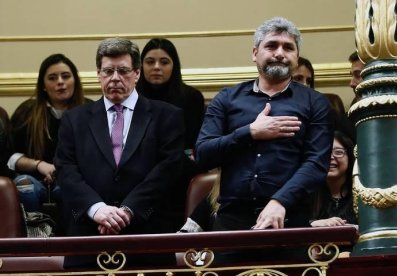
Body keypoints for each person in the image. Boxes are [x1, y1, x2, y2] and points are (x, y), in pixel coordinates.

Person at [196, 17, 333, 261]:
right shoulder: (227, 99)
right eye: (272, 46)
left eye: (288, 48)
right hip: (231, 223)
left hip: (290, 221)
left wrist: (280, 201)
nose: (280, 53)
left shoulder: (315, 103)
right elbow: (204, 155)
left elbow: (316, 164)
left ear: (297, 57)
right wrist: (249, 132)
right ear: (255, 52)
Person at [54, 37, 185, 268]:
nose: (115, 78)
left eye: (123, 71)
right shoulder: (74, 120)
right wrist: (98, 209)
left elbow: (168, 169)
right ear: (98, 73)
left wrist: (128, 210)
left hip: (147, 233)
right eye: (108, 71)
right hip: (89, 233)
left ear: (137, 73)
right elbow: (66, 170)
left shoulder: (167, 115)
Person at [136, 38, 205, 230]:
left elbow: (193, 143)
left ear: (174, 66)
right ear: (140, 66)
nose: (156, 67)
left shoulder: (191, 98)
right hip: (139, 166)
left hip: (179, 167)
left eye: (164, 62)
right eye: (150, 62)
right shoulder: (130, 97)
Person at [7, 54, 88, 214]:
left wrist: (62, 172)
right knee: (26, 187)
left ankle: (73, 238)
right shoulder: (27, 112)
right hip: (33, 178)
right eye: (52, 78)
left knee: (70, 188)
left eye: (65, 76)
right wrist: (39, 165)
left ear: (75, 81)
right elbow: (11, 157)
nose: (60, 82)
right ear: (43, 85)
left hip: (73, 178)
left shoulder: (90, 111)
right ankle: (35, 235)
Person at [311, 131, 357, 227]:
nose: (331, 157)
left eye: (338, 152)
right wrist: (313, 224)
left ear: (350, 157)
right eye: (325, 152)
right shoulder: (307, 194)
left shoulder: (361, 194)